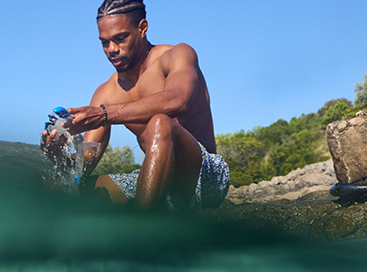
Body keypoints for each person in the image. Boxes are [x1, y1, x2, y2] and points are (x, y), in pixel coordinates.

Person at [41, 0, 230, 209]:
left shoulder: (177, 55)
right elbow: (84, 162)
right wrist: (57, 154)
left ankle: (143, 224)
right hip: (158, 178)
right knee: (54, 188)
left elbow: (178, 100)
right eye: (104, 42)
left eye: (120, 38)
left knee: (160, 123)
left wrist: (104, 114)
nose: (111, 49)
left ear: (142, 28)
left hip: (205, 175)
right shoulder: (106, 93)